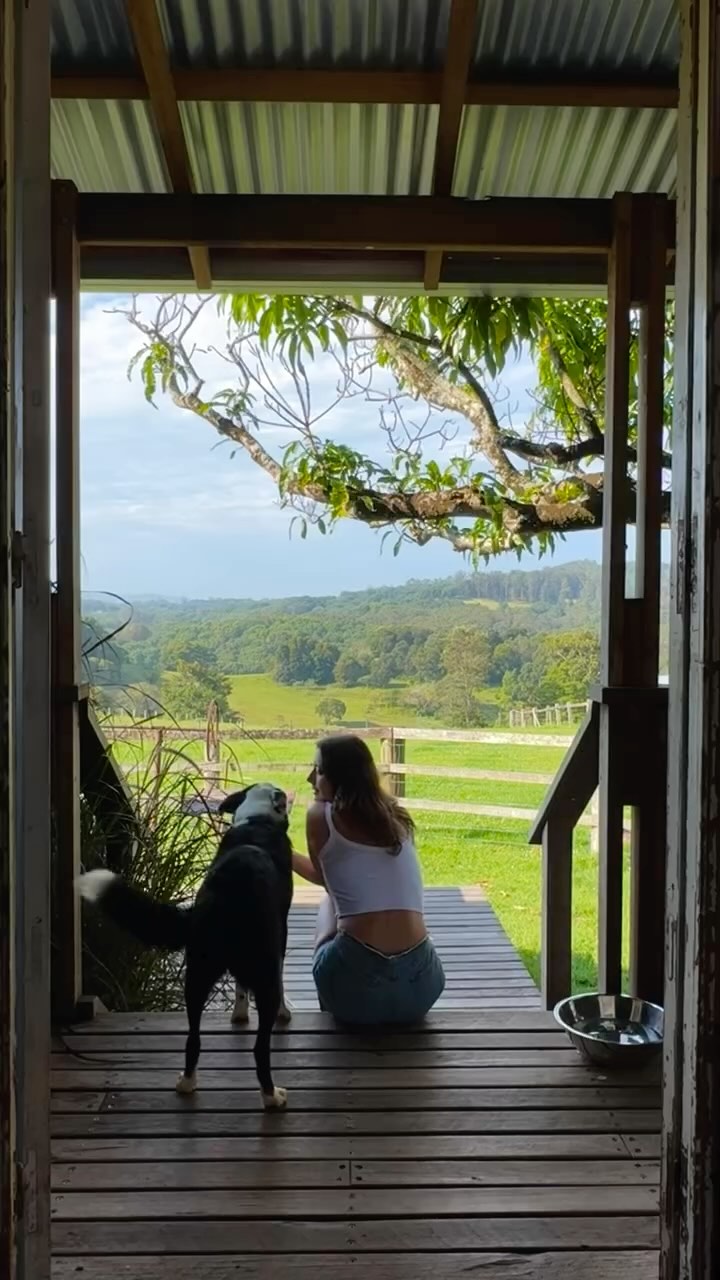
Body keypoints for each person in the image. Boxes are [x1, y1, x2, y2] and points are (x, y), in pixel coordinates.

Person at [291, 734, 445, 1025]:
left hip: (355, 990)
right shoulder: (396, 818)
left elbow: (324, 879)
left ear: (342, 776)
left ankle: (332, 1013)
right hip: (423, 986)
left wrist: (280, 851)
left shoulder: (320, 815)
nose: (311, 778)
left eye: (320, 770)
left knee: (329, 903)